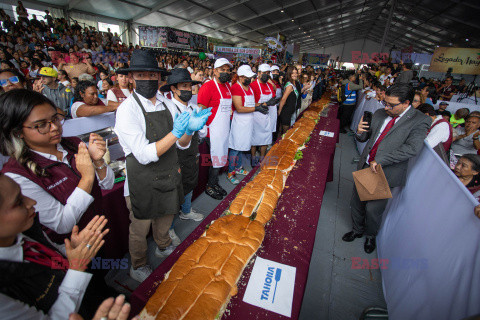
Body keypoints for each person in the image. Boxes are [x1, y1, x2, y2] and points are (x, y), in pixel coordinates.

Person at [114, 50, 209, 283]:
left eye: (152, 75)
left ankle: (163, 246)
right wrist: (176, 132)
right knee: (140, 227)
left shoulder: (167, 104)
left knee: (166, 216)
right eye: (141, 74)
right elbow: (144, 155)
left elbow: (184, 146)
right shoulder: (127, 110)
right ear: (131, 78)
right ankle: (138, 265)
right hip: (142, 180)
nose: (147, 79)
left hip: (168, 173)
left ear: (159, 78)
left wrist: (189, 130)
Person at [0, 90, 114, 245]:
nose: (54, 127)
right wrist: (87, 178)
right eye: (41, 125)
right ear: (18, 132)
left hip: (99, 229)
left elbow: (107, 184)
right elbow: (62, 224)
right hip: (70, 248)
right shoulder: (18, 176)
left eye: (55, 118)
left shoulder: (72, 143)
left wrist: (98, 161)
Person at [0, 173, 109, 319]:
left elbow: (52, 254)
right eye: (19, 202)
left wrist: (73, 250)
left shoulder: (26, 231)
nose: (32, 202)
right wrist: (77, 268)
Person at [343, 84, 431, 254]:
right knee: (357, 203)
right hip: (367, 164)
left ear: (406, 103)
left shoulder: (419, 120)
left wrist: (382, 159)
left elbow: (412, 148)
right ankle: (357, 230)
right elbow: (365, 138)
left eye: (391, 105)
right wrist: (360, 132)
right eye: (385, 103)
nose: (386, 107)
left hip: (384, 171)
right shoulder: (380, 113)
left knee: (373, 210)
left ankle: (370, 235)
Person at [159, 68, 207, 222]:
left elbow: (203, 133)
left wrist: (202, 125)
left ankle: (186, 211)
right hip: (175, 159)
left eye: (189, 86)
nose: (188, 89)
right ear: (173, 88)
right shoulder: (168, 110)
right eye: (183, 86)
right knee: (175, 193)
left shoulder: (193, 108)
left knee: (190, 184)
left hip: (191, 156)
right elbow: (179, 142)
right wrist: (190, 129)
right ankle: (170, 228)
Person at [197, 58, 233, 200]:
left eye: (227, 70)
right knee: (215, 159)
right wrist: (203, 131)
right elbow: (201, 110)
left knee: (220, 158)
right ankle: (210, 186)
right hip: (213, 131)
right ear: (215, 71)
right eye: (222, 70)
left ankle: (214, 182)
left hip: (224, 130)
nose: (225, 72)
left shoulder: (228, 87)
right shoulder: (208, 87)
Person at [227, 65, 259, 185]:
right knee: (235, 148)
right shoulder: (236, 88)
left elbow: (252, 103)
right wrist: (256, 108)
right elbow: (239, 108)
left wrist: (263, 104)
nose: (250, 79)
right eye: (247, 77)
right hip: (239, 123)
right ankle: (231, 172)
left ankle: (239, 167)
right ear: (240, 77)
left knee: (242, 147)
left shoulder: (249, 88)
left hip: (248, 123)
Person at [250, 63, 274, 166]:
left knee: (265, 139)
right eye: (264, 73)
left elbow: (272, 97)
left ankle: (262, 158)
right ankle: (253, 158)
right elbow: (250, 103)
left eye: (268, 73)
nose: (266, 75)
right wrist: (261, 105)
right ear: (259, 73)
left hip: (266, 116)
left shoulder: (269, 85)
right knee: (254, 140)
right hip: (256, 116)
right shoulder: (253, 85)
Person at [278, 66, 299, 135]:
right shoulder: (290, 85)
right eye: (292, 73)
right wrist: (279, 111)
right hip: (286, 112)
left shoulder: (294, 83)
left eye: (296, 73)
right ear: (289, 74)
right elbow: (283, 99)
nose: (295, 74)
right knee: (285, 134)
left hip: (290, 112)